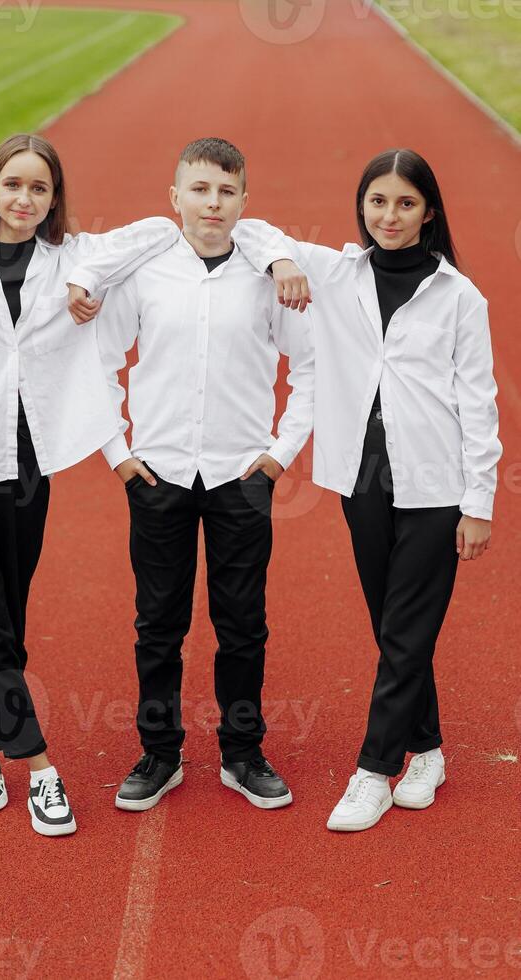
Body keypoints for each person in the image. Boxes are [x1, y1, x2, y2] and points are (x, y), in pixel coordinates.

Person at [0, 132, 180, 836]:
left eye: (39, 188)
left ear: (54, 199)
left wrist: (89, 280)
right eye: (13, 184)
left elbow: (162, 228)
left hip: (26, 473)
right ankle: (42, 769)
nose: (24, 199)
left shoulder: (70, 260)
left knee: (7, 629)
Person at [239, 149, 502, 831]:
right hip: (362, 477)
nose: (390, 215)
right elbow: (248, 227)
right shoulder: (333, 271)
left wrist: (480, 504)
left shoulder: (459, 297)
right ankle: (430, 750)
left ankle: (374, 769)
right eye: (378, 202)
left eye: (406, 203)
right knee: (395, 630)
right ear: (362, 208)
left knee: (407, 635)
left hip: (436, 482)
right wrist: (283, 263)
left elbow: (479, 404)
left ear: (429, 213)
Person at [67, 137, 313, 812]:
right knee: (158, 624)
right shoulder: (147, 272)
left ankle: (242, 753)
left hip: (241, 476)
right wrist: (119, 455)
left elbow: (311, 367)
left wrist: (278, 455)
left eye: (226, 192)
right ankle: (160, 753)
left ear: (243, 202)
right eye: (199, 190)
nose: (212, 203)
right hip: (159, 476)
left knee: (243, 625)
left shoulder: (267, 275)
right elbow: (100, 361)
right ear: (177, 197)